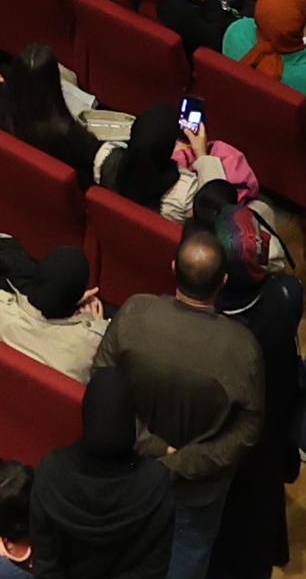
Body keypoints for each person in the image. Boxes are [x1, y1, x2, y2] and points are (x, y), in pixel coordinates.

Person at [102, 230, 266, 579]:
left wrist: (152, 446)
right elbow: (248, 429)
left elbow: (102, 388)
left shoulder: (134, 312)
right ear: (223, 281)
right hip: (198, 481)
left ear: (173, 266)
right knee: (189, 550)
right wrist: (182, 461)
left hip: (132, 462)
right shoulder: (242, 347)